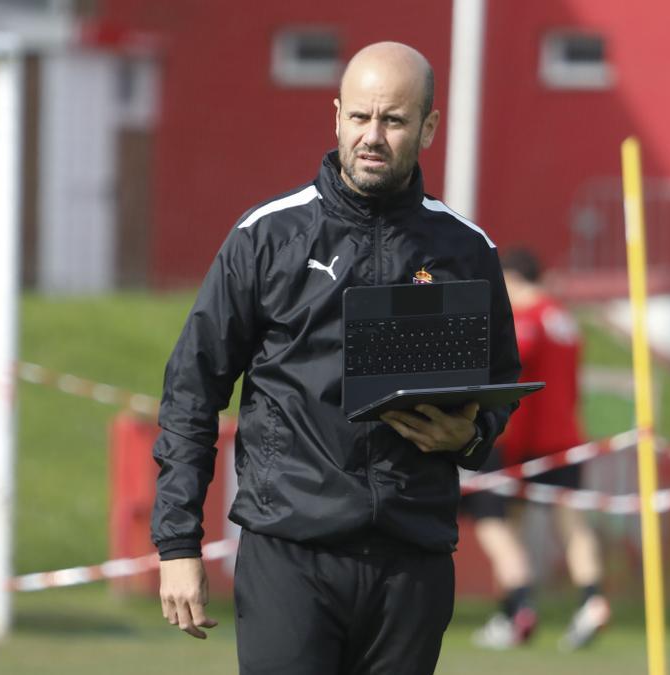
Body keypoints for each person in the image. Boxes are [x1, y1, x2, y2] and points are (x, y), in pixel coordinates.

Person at [151, 41, 521, 675]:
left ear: (428, 128)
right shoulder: (266, 237)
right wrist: (178, 543)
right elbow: (192, 389)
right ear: (337, 116)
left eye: (394, 120)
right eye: (359, 117)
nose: (372, 136)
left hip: (412, 559)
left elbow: (498, 381)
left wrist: (471, 435)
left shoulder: (466, 249)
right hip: (290, 553)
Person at [464, 247, 610, 651]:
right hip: (567, 436)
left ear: (510, 279)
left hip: (528, 440)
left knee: (502, 523)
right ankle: (591, 600)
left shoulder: (528, 318)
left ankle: (517, 609)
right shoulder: (563, 318)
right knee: (572, 526)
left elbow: (514, 360)